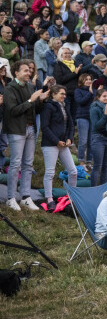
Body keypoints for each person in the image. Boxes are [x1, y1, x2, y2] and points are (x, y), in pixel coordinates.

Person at [3, 61, 47, 210]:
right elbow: (13, 111)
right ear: (16, 73)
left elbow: (35, 109)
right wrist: (30, 100)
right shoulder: (9, 88)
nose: (29, 73)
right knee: (15, 164)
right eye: (25, 71)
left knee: (28, 164)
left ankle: (25, 197)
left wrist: (41, 100)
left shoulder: (29, 86)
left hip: (30, 129)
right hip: (16, 130)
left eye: (29, 70)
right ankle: (11, 198)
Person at [41, 85, 78, 208]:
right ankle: (49, 199)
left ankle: (71, 197)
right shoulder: (48, 106)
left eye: (65, 94)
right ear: (54, 94)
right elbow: (45, 127)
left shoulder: (65, 105)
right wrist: (56, 141)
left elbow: (71, 124)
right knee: (50, 172)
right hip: (50, 144)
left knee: (73, 171)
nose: (64, 96)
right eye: (61, 93)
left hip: (63, 144)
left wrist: (69, 138)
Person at [89, 87, 107, 186]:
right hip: (98, 138)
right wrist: (105, 115)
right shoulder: (94, 108)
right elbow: (96, 126)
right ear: (98, 97)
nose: (106, 98)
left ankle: (104, 189)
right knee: (97, 166)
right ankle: (94, 189)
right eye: (104, 96)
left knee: (106, 166)